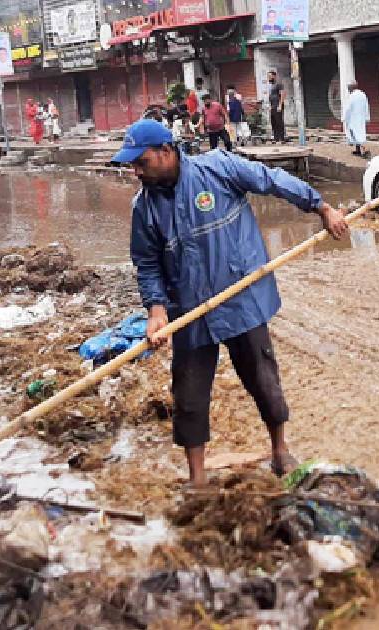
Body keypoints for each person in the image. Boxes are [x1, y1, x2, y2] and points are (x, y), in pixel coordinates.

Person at [117, 119, 349, 487]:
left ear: (166, 152)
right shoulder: (143, 207)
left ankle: (279, 450)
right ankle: (197, 478)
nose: (136, 171)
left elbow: (272, 180)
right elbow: (147, 263)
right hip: (189, 312)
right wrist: (156, 310)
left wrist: (320, 208)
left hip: (242, 299)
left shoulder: (218, 168)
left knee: (263, 380)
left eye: (141, 162)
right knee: (189, 395)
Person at [343, 82, 370, 157]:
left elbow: (348, 108)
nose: (348, 90)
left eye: (348, 88)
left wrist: (345, 118)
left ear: (351, 88)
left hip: (353, 119)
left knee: (356, 134)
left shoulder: (352, 96)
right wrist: (367, 117)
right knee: (359, 133)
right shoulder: (363, 94)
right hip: (361, 118)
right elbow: (367, 106)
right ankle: (358, 150)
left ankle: (362, 152)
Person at [267, 70, 286, 142]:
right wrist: (270, 106)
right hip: (272, 106)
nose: (268, 78)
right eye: (268, 76)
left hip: (278, 106)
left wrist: (280, 105)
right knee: (273, 122)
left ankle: (282, 138)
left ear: (274, 76)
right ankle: (276, 138)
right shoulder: (271, 85)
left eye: (269, 76)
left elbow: (283, 94)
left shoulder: (279, 84)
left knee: (279, 122)